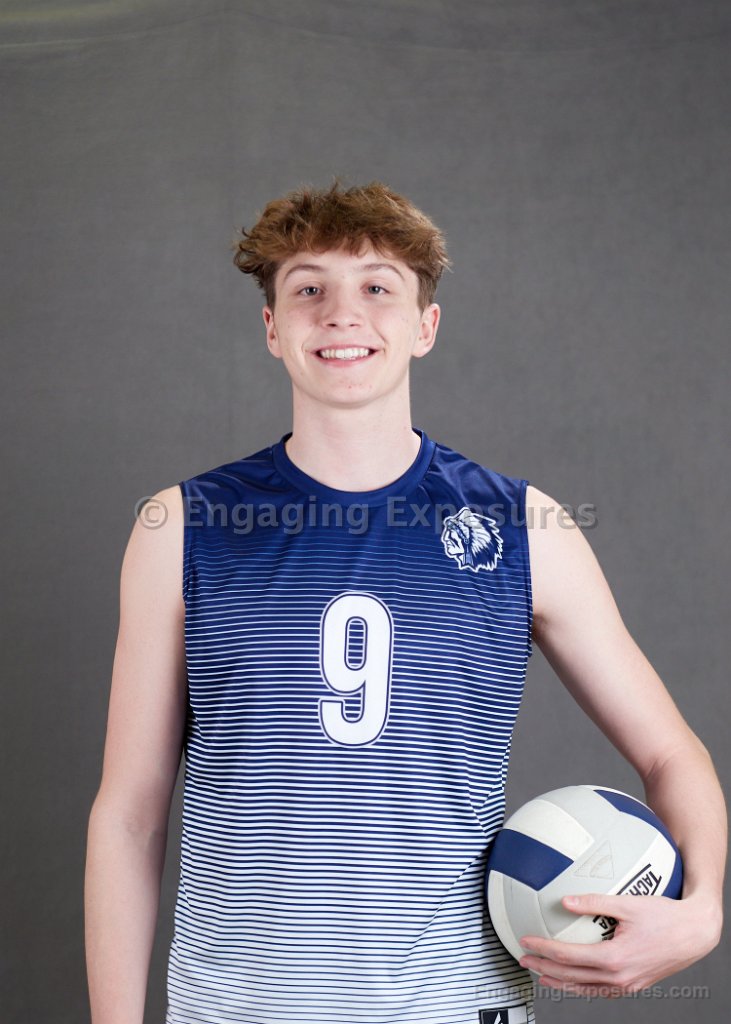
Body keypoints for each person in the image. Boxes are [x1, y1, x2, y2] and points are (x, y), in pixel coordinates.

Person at [84, 181, 725, 1024]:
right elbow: (129, 816)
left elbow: (671, 754)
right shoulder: (180, 527)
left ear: (425, 325)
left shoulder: (524, 526)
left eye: (378, 286)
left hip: (453, 1005)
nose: (341, 314)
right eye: (308, 289)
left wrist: (701, 909)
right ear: (271, 327)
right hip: (238, 1008)